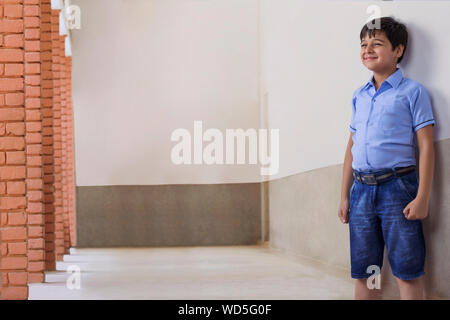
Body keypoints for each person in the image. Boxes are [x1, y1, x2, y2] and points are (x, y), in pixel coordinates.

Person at [338, 16, 436, 300]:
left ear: (398, 50)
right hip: (361, 191)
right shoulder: (360, 96)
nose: (368, 49)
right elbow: (351, 146)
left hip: (399, 189)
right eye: (364, 44)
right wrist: (344, 195)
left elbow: (427, 147)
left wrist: (422, 197)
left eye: (377, 44)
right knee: (366, 273)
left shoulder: (412, 93)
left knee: (407, 269)